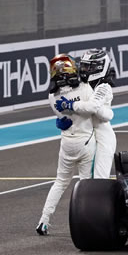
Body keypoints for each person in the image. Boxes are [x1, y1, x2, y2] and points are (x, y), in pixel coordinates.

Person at [36, 54, 113, 236]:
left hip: (66, 143)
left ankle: (43, 220)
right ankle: (87, 223)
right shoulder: (86, 89)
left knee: (60, 182)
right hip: (86, 142)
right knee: (87, 187)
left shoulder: (51, 96)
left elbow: (62, 119)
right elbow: (96, 110)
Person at [55, 48, 117, 179]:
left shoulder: (104, 87)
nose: (83, 70)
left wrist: (70, 105)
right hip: (87, 135)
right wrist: (62, 117)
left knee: (100, 177)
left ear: (99, 67)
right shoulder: (82, 85)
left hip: (103, 136)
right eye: (83, 66)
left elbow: (92, 107)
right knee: (87, 179)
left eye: (88, 67)